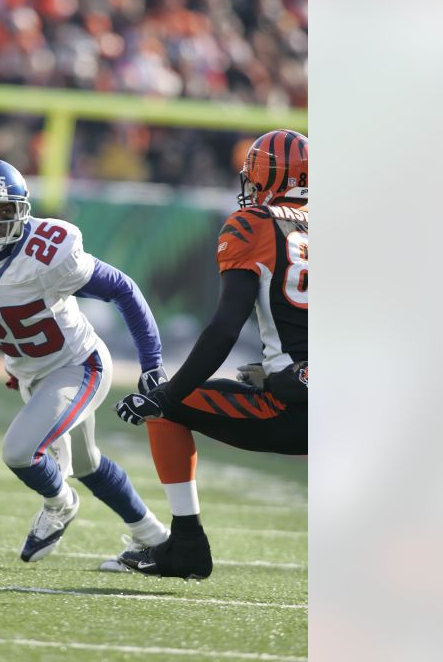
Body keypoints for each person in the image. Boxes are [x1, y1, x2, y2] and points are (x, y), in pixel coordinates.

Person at [0, 158, 171, 570]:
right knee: (89, 464)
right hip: (30, 373)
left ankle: (60, 502)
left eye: (5, 210)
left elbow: (123, 289)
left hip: (79, 365)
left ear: (24, 209)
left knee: (19, 451)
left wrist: (152, 364)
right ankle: (155, 538)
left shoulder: (50, 250)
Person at [114, 129, 310, 579]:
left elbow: (225, 328)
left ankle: (186, 545)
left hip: (294, 409)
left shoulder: (255, 223)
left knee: (168, 407)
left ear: (266, 175)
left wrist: (166, 394)